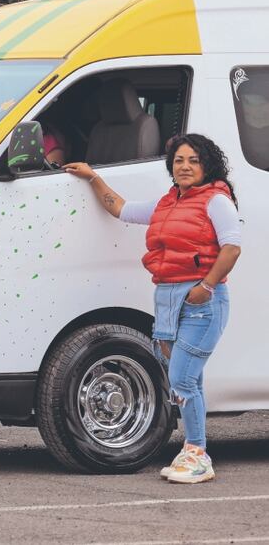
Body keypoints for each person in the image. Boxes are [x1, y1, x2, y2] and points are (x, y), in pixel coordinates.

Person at [65, 134, 241, 484]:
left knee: (182, 379)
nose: (185, 166)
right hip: (167, 300)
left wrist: (206, 287)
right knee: (189, 381)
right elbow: (121, 209)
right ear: (171, 167)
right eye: (179, 160)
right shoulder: (167, 203)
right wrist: (93, 178)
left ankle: (197, 453)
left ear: (206, 165)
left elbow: (232, 247)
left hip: (200, 304)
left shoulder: (216, 201)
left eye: (193, 160)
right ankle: (195, 450)